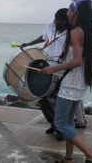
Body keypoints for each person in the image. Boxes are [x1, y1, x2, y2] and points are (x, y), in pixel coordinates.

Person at [40, 0, 92, 163]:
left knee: (60, 123)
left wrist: (54, 68)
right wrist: (83, 53)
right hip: (80, 82)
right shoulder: (86, 30)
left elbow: (76, 61)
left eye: (69, 10)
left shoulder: (76, 32)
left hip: (71, 82)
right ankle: (68, 159)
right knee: (69, 121)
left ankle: (90, 154)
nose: (67, 12)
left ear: (74, 12)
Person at [20, 8, 71, 141]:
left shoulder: (71, 32)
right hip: (48, 63)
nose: (54, 22)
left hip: (62, 67)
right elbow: (44, 37)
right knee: (40, 94)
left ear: (65, 21)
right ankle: (54, 123)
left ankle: (59, 127)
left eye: (58, 20)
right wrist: (29, 44)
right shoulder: (50, 25)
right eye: (54, 18)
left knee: (58, 99)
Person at [74, 19, 92, 128]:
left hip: (80, 70)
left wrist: (83, 53)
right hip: (86, 69)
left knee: (76, 96)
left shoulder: (88, 38)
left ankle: (80, 120)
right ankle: (82, 117)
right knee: (78, 96)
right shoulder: (89, 39)